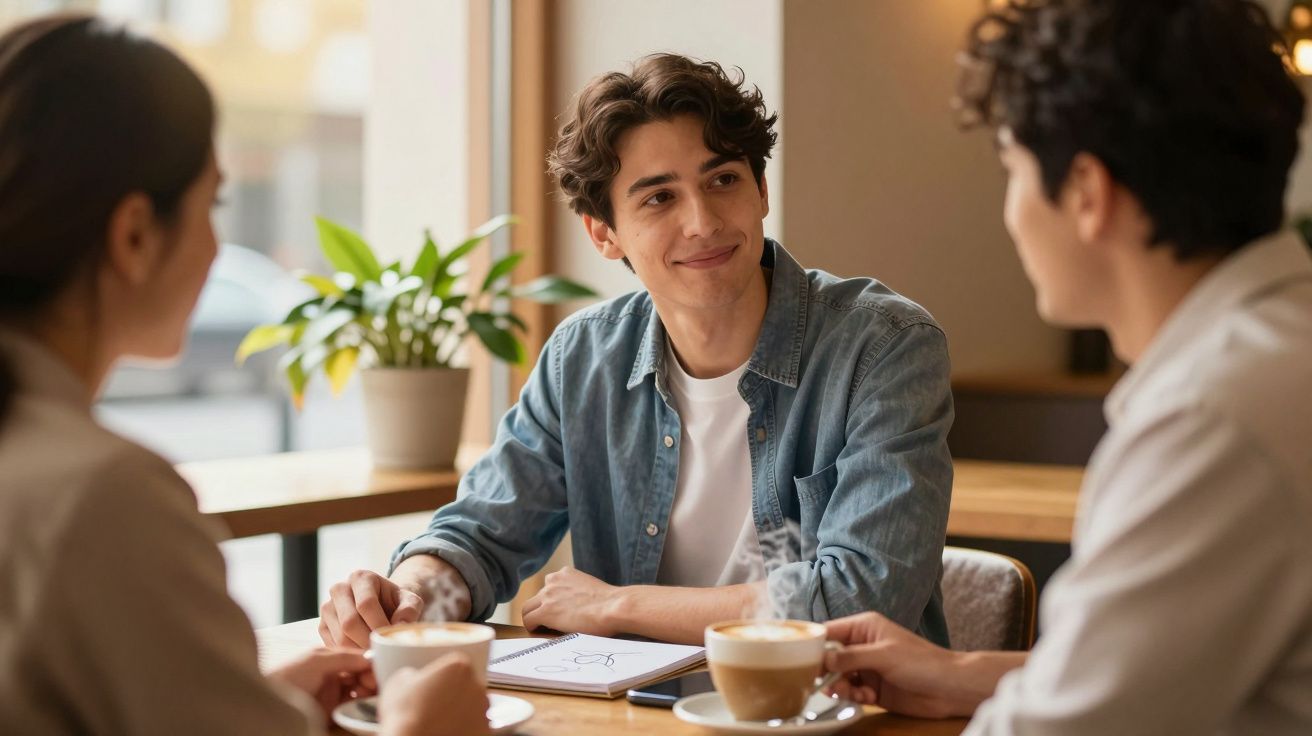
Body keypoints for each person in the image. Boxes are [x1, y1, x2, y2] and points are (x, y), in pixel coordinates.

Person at [322, 53, 956, 647]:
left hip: (834, 712)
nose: (703, 222)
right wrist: (406, 597)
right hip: (631, 716)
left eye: (724, 180)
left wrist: (618, 606)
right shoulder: (582, 359)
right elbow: (481, 536)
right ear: (604, 234)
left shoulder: (884, 347)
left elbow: (865, 598)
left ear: (761, 191)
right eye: (659, 198)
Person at [822, 1, 1312, 734]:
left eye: (1011, 168)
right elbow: (1183, 673)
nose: (1010, 209)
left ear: (1086, 192)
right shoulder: (1276, 354)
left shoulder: (1210, 419)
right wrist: (961, 673)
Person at [0, 14, 487, 735]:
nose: (217, 246)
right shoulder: (104, 496)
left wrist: (252, 698)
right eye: (213, 203)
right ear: (134, 235)